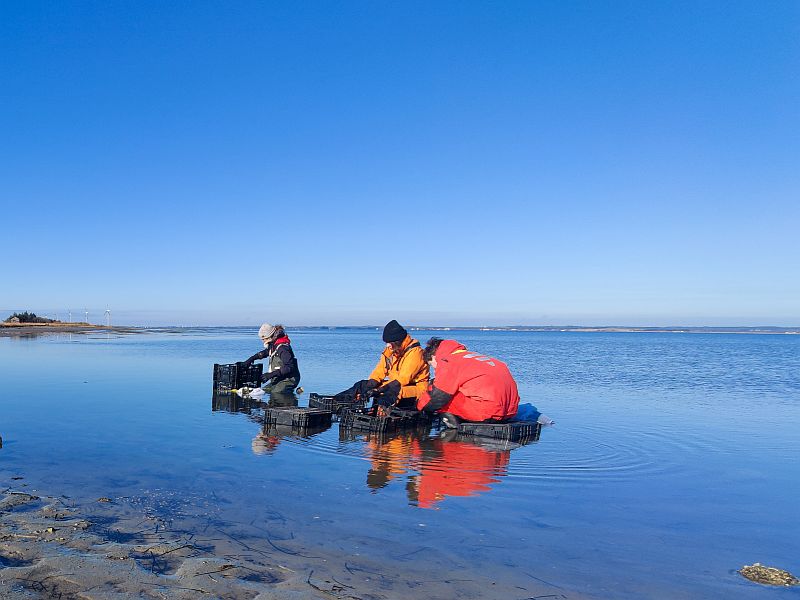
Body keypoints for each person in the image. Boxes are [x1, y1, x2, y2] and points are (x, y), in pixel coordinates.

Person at [416, 338, 520, 428]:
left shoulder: (448, 361)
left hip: (489, 413)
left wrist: (420, 407)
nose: (435, 369)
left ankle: (452, 434)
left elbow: (438, 397)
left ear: (434, 357)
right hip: (510, 412)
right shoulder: (475, 357)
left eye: (432, 365)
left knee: (443, 399)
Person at [337, 320, 430, 409]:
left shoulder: (416, 353)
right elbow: (379, 371)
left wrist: (379, 390)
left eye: (389, 343)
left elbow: (403, 379)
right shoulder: (391, 351)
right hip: (393, 385)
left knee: (391, 393)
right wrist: (369, 387)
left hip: (416, 388)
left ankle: (380, 416)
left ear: (398, 341)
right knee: (361, 385)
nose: (387, 345)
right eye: (386, 343)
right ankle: (334, 403)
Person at [242, 323, 300, 395]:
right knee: (263, 391)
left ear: (270, 336)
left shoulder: (283, 348)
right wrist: (252, 358)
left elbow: (289, 367)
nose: (263, 341)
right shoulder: (273, 344)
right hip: (279, 377)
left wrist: (270, 375)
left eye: (264, 339)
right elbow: (266, 352)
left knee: (275, 393)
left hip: (289, 379)